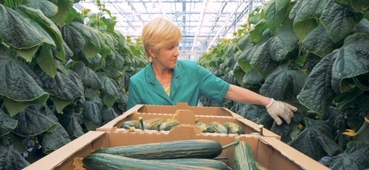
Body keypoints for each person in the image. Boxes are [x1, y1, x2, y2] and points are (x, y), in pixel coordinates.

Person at [127, 17, 298, 125]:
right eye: (170, 48)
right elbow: (133, 123)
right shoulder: (137, 82)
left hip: (188, 143)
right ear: (152, 51)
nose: (177, 52)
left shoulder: (191, 71)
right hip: (153, 149)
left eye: (177, 46)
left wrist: (268, 102)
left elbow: (228, 90)